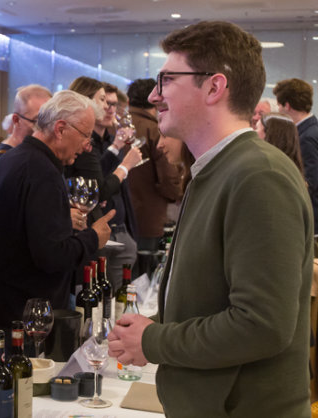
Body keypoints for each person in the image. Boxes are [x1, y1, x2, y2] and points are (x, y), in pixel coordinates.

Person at [109, 21, 312, 417]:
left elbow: (262, 325)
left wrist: (155, 341)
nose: (153, 95)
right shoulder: (220, 170)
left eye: (167, 79)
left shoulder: (258, 176)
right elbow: (213, 298)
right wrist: (154, 328)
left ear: (214, 87)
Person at [0, 90, 114, 343]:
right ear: (60, 129)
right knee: (27, 370)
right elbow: (52, 256)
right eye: (85, 135)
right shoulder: (42, 172)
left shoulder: (13, 158)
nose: (87, 146)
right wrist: (93, 237)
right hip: (26, 307)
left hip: (3, 297)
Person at [68, 77, 142, 289]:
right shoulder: (87, 142)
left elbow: (101, 185)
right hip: (91, 229)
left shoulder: (106, 140)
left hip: (116, 227)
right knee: (93, 293)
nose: (109, 108)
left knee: (115, 293)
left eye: (113, 104)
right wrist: (124, 166)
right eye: (103, 101)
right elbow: (99, 188)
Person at [124, 78, 183, 252]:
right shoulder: (156, 130)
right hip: (148, 217)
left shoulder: (115, 127)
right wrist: (179, 194)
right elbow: (167, 177)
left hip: (117, 217)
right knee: (146, 266)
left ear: (129, 101)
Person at [0, 84, 52, 194]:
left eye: (50, 121)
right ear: (16, 120)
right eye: (37, 121)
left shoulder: (38, 155)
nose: (46, 129)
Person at [274, 78, 318, 234]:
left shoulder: (305, 137)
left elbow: (310, 182)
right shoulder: (311, 130)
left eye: (279, 105)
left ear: (287, 105)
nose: (278, 109)